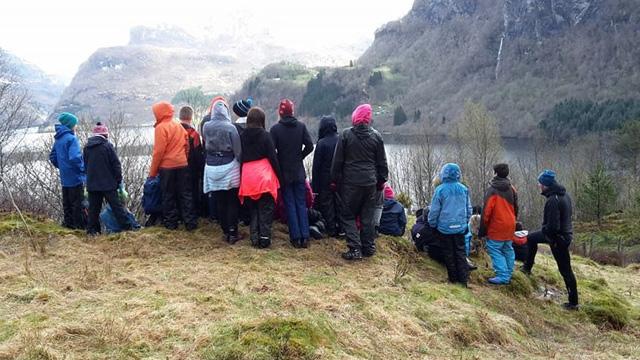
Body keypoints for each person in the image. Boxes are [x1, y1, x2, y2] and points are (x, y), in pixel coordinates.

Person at [331, 103, 389, 260]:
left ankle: (355, 248)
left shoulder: (345, 135)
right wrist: (381, 181)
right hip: (370, 183)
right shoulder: (377, 137)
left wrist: (334, 180)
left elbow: (338, 161)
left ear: (355, 117)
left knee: (347, 215)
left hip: (351, 183)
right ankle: (368, 247)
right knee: (367, 217)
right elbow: (382, 163)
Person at [522, 170, 579, 310]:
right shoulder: (564, 195)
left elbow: (553, 226)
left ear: (546, 185)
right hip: (564, 235)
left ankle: (573, 303)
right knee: (530, 238)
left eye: (540, 183)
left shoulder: (553, 200)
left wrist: (548, 236)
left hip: (558, 239)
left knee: (565, 270)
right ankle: (527, 268)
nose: (538, 186)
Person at [270, 99, 314, 248]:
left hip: (284, 172)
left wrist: (279, 162)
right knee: (301, 203)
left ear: (280, 113)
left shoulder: (275, 129)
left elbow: (271, 152)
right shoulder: (301, 127)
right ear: (292, 111)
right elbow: (309, 146)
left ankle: (295, 238)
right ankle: (305, 237)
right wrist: (299, 156)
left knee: (290, 203)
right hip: (299, 171)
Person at [149, 101, 197, 231]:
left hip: (167, 167)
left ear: (159, 113)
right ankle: (190, 223)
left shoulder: (161, 128)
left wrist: (152, 172)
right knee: (185, 194)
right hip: (182, 164)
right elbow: (186, 144)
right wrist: (184, 158)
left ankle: (171, 223)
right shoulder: (178, 125)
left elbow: (158, 152)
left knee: (168, 195)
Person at [238, 107, 281, 248]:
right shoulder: (266, 135)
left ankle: (254, 237)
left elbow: (240, 156)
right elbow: (273, 158)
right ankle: (264, 238)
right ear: (262, 120)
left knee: (253, 209)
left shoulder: (242, 136)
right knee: (266, 208)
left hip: (248, 176)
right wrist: (279, 176)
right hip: (263, 176)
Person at [203, 100, 242, 243]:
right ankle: (233, 232)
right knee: (231, 200)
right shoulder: (231, 128)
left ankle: (225, 230)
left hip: (211, 166)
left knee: (219, 200)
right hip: (229, 166)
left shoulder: (206, 126)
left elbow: (205, 142)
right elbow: (237, 151)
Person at [83, 122, 132, 235]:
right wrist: (118, 180)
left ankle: (92, 232)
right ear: (105, 135)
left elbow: (85, 165)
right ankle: (127, 229)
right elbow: (116, 165)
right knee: (117, 207)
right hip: (108, 184)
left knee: (93, 210)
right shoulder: (107, 146)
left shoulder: (87, 148)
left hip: (92, 184)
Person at [428, 163, 472, 286]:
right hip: (460, 227)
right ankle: (463, 281)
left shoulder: (440, 190)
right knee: (460, 253)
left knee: (448, 253)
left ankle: (453, 279)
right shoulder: (464, 189)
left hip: (444, 228)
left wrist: (433, 224)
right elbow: (468, 209)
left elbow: (434, 211)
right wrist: (465, 222)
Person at [478, 163, 518, 285]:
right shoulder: (512, 188)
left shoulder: (493, 190)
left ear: (495, 173)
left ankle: (503, 275)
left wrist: (482, 230)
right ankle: (509, 272)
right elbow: (516, 208)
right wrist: (514, 220)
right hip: (510, 223)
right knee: (507, 248)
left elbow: (486, 213)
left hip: (497, 226)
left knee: (494, 249)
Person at [49, 112, 86, 230]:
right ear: (70, 125)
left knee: (67, 204)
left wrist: (63, 166)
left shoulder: (58, 139)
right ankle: (79, 228)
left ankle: (68, 225)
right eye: (75, 124)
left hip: (64, 177)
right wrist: (83, 169)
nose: (76, 126)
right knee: (78, 204)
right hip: (75, 177)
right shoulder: (71, 138)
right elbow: (75, 157)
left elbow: (52, 157)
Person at [311, 115, 340, 237]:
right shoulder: (341, 140)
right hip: (340, 178)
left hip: (325, 179)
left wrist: (315, 188)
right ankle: (341, 227)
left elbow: (316, 166)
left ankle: (331, 229)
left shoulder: (322, 143)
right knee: (339, 203)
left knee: (327, 204)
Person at [179, 106, 206, 218]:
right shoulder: (193, 134)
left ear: (180, 116)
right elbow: (198, 153)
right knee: (192, 192)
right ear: (191, 117)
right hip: (191, 168)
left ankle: (180, 215)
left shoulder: (175, 130)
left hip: (176, 166)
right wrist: (201, 169)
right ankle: (193, 215)